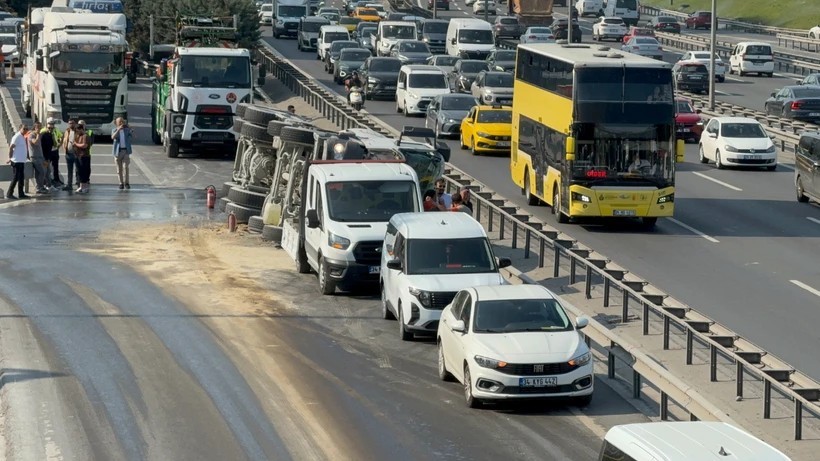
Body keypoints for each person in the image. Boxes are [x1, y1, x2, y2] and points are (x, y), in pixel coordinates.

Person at [7, 123, 30, 199]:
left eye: (27, 129)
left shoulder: (22, 137)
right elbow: (11, 147)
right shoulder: (17, 136)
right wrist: (10, 158)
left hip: (21, 161)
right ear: (20, 128)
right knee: (15, 177)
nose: (26, 130)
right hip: (16, 161)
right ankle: (9, 193)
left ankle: (21, 193)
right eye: (24, 129)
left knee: (21, 178)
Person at [27, 121, 50, 194]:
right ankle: (39, 187)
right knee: (41, 172)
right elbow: (35, 142)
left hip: (40, 156)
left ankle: (40, 186)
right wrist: (37, 134)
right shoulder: (31, 135)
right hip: (35, 157)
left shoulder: (39, 134)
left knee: (41, 172)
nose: (39, 128)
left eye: (40, 127)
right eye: (38, 127)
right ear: (35, 127)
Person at [111, 117, 133, 189]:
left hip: (126, 151)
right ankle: (121, 183)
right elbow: (113, 137)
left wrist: (130, 129)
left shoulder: (126, 130)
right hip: (118, 151)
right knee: (119, 169)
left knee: (126, 167)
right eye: (119, 122)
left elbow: (132, 136)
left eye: (122, 121)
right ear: (116, 123)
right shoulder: (114, 130)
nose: (121, 123)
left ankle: (127, 183)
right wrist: (118, 130)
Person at [41, 118, 63, 187]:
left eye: (52, 124)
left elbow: (61, 136)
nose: (51, 126)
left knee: (55, 166)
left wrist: (60, 144)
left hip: (55, 150)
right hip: (48, 151)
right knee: (46, 167)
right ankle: (45, 181)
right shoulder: (43, 131)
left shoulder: (56, 130)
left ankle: (56, 179)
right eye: (50, 124)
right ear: (46, 124)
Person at [61, 119, 80, 191]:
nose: (71, 124)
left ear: (75, 124)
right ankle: (69, 185)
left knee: (78, 170)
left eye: (72, 123)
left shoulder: (77, 131)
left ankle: (79, 185)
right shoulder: (67, 131)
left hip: (76, 154)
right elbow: (64, 140)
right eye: (69, 123)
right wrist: (64, 149)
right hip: (68, 153)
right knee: (69, 170)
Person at [73, 124, 91, 193]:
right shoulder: (78, 136)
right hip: (78, 155)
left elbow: (84, 145)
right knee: (79, 171)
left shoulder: (85, 136)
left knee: (84, 172)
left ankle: (85, 187)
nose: (77, 132)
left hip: (84, 156)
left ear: (81, 129)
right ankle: (81, 186)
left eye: (78, 131)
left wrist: (76, 144)